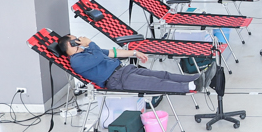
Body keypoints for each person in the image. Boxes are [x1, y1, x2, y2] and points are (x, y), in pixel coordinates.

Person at [55, 34, 201, 95]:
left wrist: (134, 53)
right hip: (116, 80)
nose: (78, 40)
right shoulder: (77, 61)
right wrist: (91, 43)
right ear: (70, 44)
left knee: (162, 74)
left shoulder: (86, 52)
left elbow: (112, 53)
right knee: (155, 83)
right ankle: (190, 87)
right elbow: (98, 56)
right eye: (75, 40)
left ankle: (194, 78)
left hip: (124, 71)